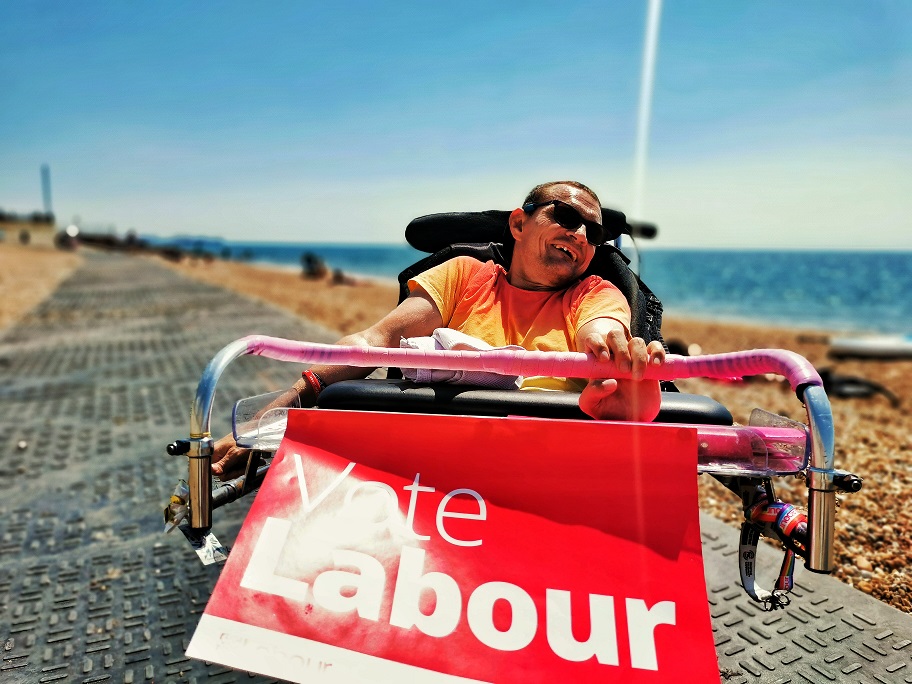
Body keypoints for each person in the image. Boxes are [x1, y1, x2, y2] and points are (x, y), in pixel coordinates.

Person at [212, 180, 666, 476]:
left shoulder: (594, 293)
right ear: (518, 222)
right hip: (432, 468)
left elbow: (602, 329)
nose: (581, 235)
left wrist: (611, 349)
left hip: (545, 469)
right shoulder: (464, 275)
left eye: (593, 232)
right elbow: (376, 341)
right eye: (565, 217)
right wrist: (273, 418)